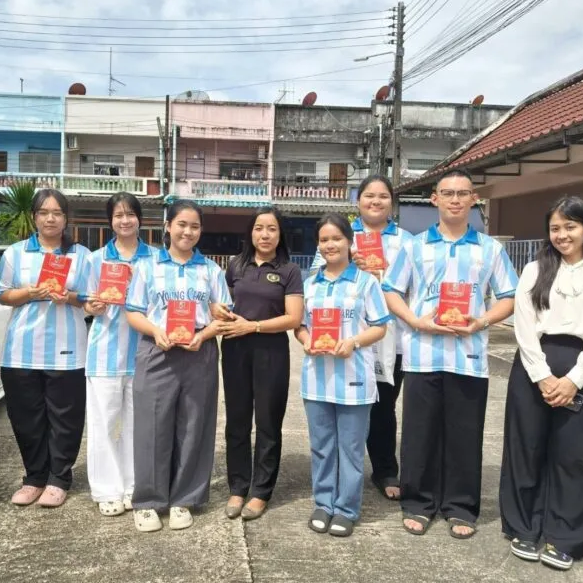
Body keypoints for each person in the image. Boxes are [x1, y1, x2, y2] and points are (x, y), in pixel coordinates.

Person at [382, 169, 518, 538]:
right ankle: (418, 502)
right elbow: (391, 290)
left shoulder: (490, 249)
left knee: (464, 434)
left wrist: (481, 321)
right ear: (435, 200)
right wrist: (414, 320)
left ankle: (461, 506)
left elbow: (509, 297)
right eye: (448, 193)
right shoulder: (414, 246)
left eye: (463, 193)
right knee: (419, 433)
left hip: (468, 356)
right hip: (422, 353)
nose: (455, 199)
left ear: (474, 199)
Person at [499, 196, 583, 571]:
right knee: (527, 448)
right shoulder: (535, 271)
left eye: (570, 226)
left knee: (574, 456)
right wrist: (541, 375)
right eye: (555, 228)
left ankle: (566, 534)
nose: (562, 234)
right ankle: (524, 525)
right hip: (533, 367)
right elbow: (523, 325)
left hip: (582, 369)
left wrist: (574, 379)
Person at [124, 200, 232, 532]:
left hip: (199, 351)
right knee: (151, 425)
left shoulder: (211, 270)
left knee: (194, 424)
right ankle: (148, 501)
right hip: (157, 350)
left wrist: (206, 334)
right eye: (181, 224)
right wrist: (155, 331)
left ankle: (185, 497)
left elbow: (223, 313)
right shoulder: (146, 266)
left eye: (195, 226)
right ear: (168, 226)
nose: (188, 231)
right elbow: (133, 312)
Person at [310, 175, 413, 501]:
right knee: (341, 408)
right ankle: (338, 475)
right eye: (369, 196)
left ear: (391, 202)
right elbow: (315, 280)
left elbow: (415, 286)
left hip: (392, 337)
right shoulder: (340, 236)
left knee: (384, 407)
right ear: (358, 202)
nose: (376, 202)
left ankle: (384, 469)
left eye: (383, 196)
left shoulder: (407, 241)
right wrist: (347, 266)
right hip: (343, 340)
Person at [295, 213, 391, 538]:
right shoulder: (308, 285)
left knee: (350, 448)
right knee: (322, 445)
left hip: (354, 380)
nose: (330, 244)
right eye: (324, 239)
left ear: (349, 242)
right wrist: (307, 341)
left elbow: (380, 326)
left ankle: (346, 509)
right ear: (318, 245)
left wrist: (353, 341)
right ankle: (323, 503)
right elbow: (300, 325)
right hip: (317, 378)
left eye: (336, 238)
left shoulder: (366, 282)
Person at [0, 189, 91, 509]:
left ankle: (59, 478)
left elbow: (93, 300)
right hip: (21, 349)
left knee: (65, 418)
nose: (50, 218)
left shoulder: (81, 255)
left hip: (67, 349)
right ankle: (35, 476)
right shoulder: (15, 253)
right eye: (43, 212)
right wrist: (31, 292)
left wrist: (71, 297)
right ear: (34, 217)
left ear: (66, 218)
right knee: (27, 418)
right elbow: (2, 294)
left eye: (57, 213)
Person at [216, 207, 304, 521]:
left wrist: (251, 326)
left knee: (268, 422)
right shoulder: (235, 266)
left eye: (271, 229)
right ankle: (238, 486)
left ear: (280, 235)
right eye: (258, 228)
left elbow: (293, 318)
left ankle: (260, 491)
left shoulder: (289, 270)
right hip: (236, 350)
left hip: (271, 352)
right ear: (250, 233)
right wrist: (221, 314)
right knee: (237, 422)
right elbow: (224, 304)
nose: (264, 235)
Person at [83, 193, 158, 517]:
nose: (124, 220)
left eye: (130, 214)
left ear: (140, 218)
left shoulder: (156, 259)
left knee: (138, 425)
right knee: (103, 423)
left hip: (145, 354)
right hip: (105, 353)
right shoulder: (95, 259)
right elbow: (86, 303)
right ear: (110, 220)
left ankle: (133, 486)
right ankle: (106, 489)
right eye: (118, 215)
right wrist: (93, 305)